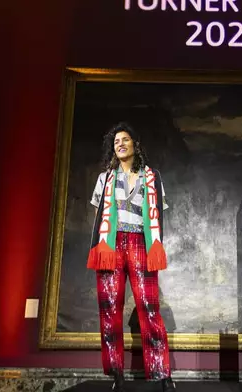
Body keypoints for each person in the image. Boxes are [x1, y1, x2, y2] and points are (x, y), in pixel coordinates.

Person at [88, 122, 176, 392]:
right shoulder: (105, 178)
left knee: (149, 308)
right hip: (111, 244)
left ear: (135, 144)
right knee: (110, 307)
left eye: (125, 139)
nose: (120, 144)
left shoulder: (152, 176)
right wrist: (105, 240)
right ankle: (116, 372)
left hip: (140, 241)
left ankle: (162, 373)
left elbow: (159, 213)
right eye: (116, 141)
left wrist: (152, 244)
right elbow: (98, 213)